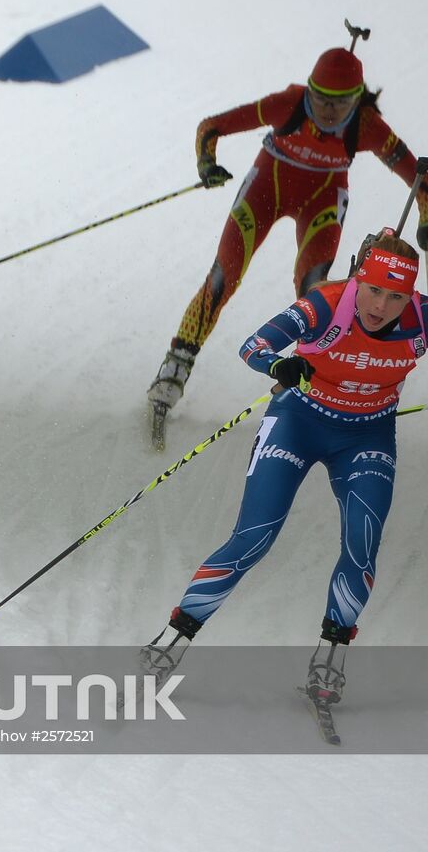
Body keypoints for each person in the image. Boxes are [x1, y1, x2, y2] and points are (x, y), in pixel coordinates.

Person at [140, 228, 425, 705]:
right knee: (254, 536)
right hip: (298, 422)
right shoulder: (325, 305)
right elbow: (252, 346)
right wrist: (278, 366)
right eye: (374, 290)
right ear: (359, 278)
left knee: (362, 543)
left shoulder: (421, 317)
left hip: (366, 437)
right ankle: (169, 642)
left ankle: (329, 663)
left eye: (396, 296)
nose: (381, 306)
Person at [148, 46, 428, 425]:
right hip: (265, 190)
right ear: (309, 90)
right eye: (320, 98)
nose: (328, 110)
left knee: (315, 293)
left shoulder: (365, 125)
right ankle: (175, 367)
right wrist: (206, 164)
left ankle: (311, 381)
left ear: (357, 100)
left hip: (322, 202)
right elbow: (211, 126)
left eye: (340, 102)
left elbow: (419, 178)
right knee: (222, 277)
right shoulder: (289, 103)